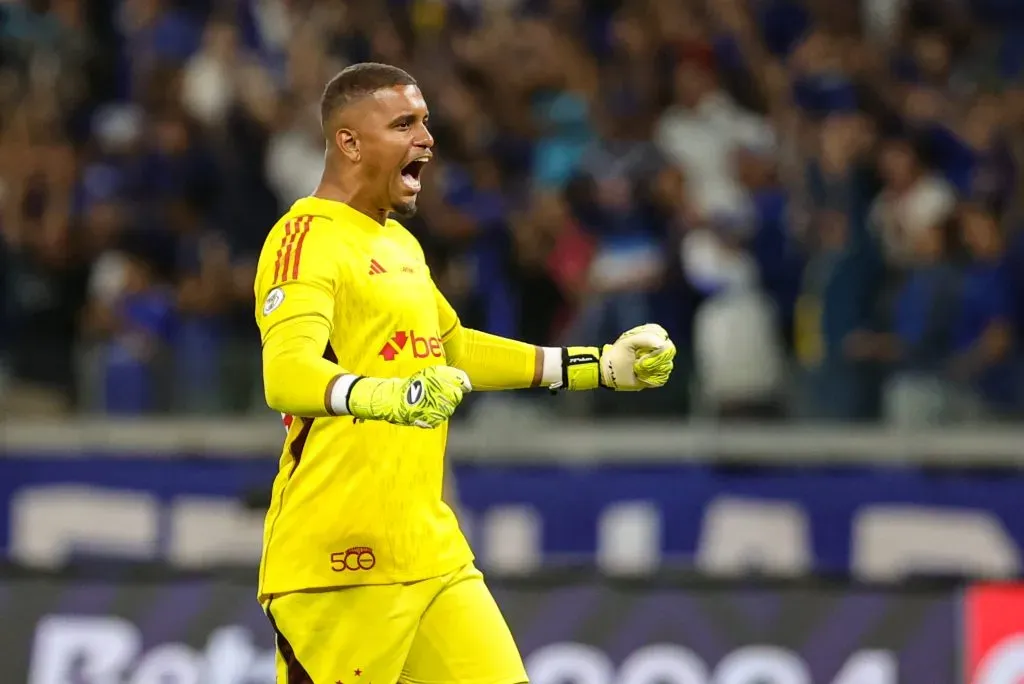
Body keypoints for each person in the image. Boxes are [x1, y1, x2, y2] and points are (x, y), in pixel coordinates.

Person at [253, 62, 676, 683]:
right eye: (404, 124)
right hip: (338, 563)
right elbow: (286, 374)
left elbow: (450, 349)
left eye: (425, 122)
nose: (427, 139)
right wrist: (388, 396)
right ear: (349, 142)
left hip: (431, 554)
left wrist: (600, 367)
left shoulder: (400, 244)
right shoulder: (304, 238)